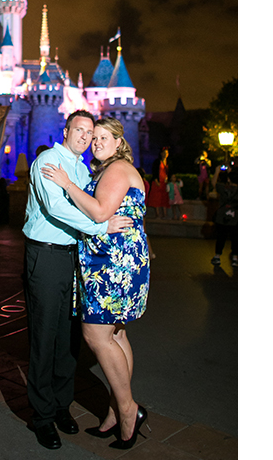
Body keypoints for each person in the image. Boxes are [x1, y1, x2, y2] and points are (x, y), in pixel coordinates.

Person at [22, 110, 134, 451]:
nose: (87, 137)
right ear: (67, 130)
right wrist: (102, 225)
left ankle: (61, 406)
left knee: (68, 338)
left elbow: (96, 203)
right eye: (81, 130)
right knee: (44, 336)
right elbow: (57, 208)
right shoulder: (48, 160)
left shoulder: (83, 169)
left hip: (74, 258)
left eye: (92, 133)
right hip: (46, 255)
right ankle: (42, 416)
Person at [211, 169, 238, 267]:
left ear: (229, 179)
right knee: (235, 238)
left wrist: (217, 171)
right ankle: (235, 258)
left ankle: (217, 256)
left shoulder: (223, 188)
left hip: (222, 217)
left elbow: (213, 183)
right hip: (236, 218)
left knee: (221, 237)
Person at [145, 147, 169, 219]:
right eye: (164, 153)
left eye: (167, 153)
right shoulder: (157, 161)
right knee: (156, 198)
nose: (165, 154)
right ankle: (157, 214)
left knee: (164, 198)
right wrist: (156, 180)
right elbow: (155, 171)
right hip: (157, 182)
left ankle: (164, 214)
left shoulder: (167, 162)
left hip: (164, 182)